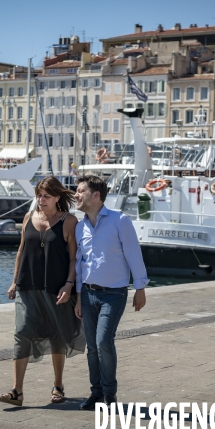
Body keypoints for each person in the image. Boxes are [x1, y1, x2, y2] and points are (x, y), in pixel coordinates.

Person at [0, 177, 85, 406]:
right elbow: (20, 252)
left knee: (56, 337)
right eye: (38, 195)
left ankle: (58, 386)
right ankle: (17, 391)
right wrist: (14, 281)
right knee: (22, 332)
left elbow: (75, 258)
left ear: (57, 197)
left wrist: (68, 284)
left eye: (46, 196)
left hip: (56, 290)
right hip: (27, 287)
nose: (41, 199)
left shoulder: (69, 222)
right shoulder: (28, 218)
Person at [74, 174, 148, 410]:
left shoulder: (120, 221)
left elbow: (133, 254)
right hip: (87, 294)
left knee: (104, 341)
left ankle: (109, 394)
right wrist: (77, 296)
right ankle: (95, 394)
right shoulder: (80, 226)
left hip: (113, 294)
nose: (76, 194)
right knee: (92, 347)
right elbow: (79, 262)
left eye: (80, 191)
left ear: (95, 195)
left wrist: (140, 288)